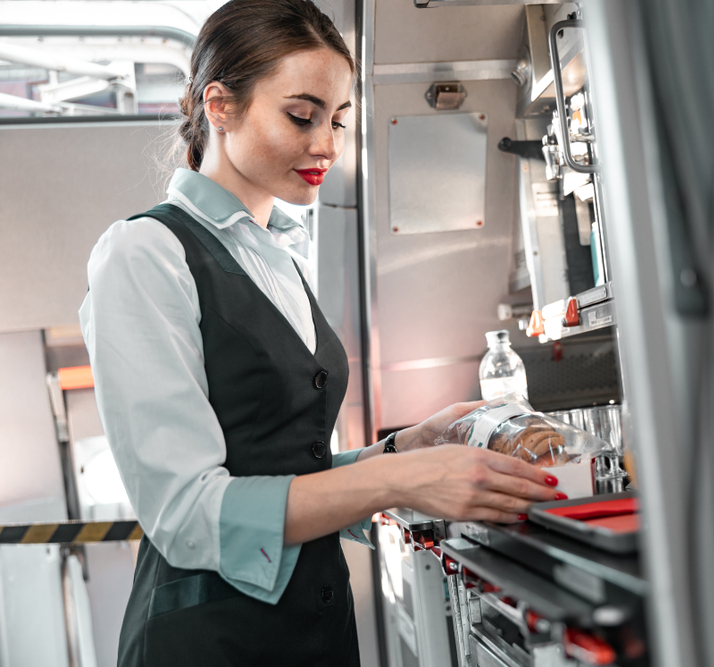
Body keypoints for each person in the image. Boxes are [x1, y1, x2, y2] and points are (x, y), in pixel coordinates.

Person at [79, 1, 562, 664]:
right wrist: (401, 481)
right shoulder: (144, 253)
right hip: (207, 644)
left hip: (314, 635)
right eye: (301, 116)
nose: (328, 145)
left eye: (338, 120)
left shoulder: (278, 254)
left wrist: (400, 450)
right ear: (219, 106)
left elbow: (282, 469)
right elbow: (188, 515)